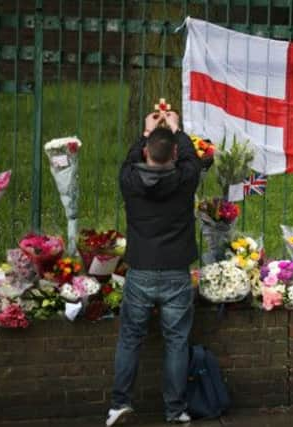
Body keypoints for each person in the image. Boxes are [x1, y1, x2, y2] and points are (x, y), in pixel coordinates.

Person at [106, 111, 205, 426]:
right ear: (173, 153)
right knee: (176, 340)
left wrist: (146, 132)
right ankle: (175, 411)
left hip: (140, 270)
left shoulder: (130, 181)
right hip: (176, 271)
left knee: (130, 338)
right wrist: (176, 129)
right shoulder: (185, 180)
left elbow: (129, 159)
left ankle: (119, 404)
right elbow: (192, 160)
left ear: (146, 151)